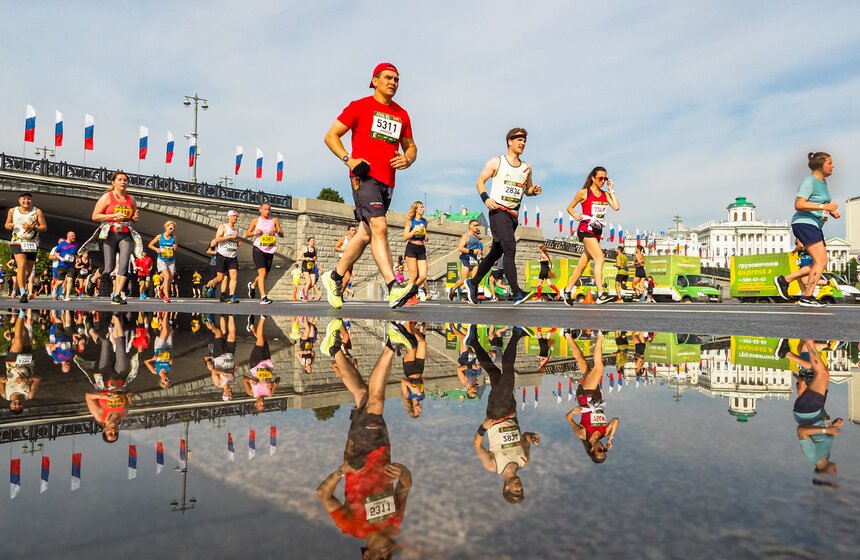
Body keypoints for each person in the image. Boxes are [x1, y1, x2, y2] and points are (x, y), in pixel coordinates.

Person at [320, 62, 418, 310]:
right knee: (379, 226)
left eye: (397, 79)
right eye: (388, 78)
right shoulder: (360, 107)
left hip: (388, 181)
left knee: (365, 233)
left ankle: (335, 277)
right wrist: (349, 160)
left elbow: (411, 146)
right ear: (374, 81)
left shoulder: (402, 114)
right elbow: (331, 136)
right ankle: (393, 287)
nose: (393, 82)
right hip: (363, 176)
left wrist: (408, 158)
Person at [317, 319, 415, 557]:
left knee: (375, 403)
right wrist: (403, 473)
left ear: (367, 555)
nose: (384, 554)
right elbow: (405, 487)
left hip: (359, 456)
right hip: (383, 449)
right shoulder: (393, 524)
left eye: (378, 559)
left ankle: (392, 343)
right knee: (362, 395)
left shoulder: (351, 527)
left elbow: (323, 495)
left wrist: (341, 472)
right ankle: (333, 349)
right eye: (388, 558)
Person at [466, 128, 541, 306]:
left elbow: (526, 190)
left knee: (494, 254)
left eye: (524, 141)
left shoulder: (526, 167)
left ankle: (473, 283)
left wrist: (533, 191)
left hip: (512, 215)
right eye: (519, 140)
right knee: (510, 249)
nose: (522, 144)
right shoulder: (497, 162)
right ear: (510, 142)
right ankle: (516, 292)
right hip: (498, 211)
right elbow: (480, 181)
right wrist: (486, 199)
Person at [471, 324, 540, 503]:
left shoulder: (494, 466)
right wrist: (530, 437)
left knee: (508, 373)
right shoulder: (524, 461)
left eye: (516, 490)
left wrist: (482, 429)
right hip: (511, 411)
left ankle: (517, 335)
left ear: (506, 487)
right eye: (522, 489)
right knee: (495, 374)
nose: (519, 486)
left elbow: (477, 447)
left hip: (496, 414)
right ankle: (473, 342)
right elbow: (523, 437)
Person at [775, 152, 840, 307]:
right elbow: (799, 204)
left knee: (822, 263)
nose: (833, 166)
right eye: (830, 163)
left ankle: (786, 280)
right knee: (821, 260)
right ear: (820, 165)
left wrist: (831, 211)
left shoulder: (822, 183)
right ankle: (807, 297)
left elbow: (819, 203)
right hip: (805, 223)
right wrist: (825, 206)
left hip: (814, 224)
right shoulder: (809, 181)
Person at [779, 338, 843, 476]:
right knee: (819, 373)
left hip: (807, 411)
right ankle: (787, 353)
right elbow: (819, 431)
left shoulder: (812, 456)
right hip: (816, 410)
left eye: (834, 475)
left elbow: (802, 431)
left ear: (824, 473)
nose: (836, 472)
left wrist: (826, 430)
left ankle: (809, 343)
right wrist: (833, 424)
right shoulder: (825, 455)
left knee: (822, 373)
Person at [562, 167, 620, 305]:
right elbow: (570, 207)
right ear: (593, 178)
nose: (603, 181)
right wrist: (574, 215)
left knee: (582, 264)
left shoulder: (605, 194)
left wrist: (611, 190)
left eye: (605, 178)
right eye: (600, 178)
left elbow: (616, 207)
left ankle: (567, 290)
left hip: (597, 232)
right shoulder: (584, 193)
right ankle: (600, 294)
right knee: (600, 258)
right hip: (585, 230)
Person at [80, 313, 138, 443]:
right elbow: (130, 394)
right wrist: (129, 396)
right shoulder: (123, 415)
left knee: (105, 342)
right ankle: (116, 316)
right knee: (121, 346)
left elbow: (88, 396)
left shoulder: (100, 415)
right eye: (115, 433)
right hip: (120, 378)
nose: (113, 431)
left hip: (105, 378)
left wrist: (104, 397)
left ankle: (90, 329)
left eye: (110, 433)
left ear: (104, 430)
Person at [565, 331, 620, 463]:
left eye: (599, 451)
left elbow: (568, 418)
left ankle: (600, 335)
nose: (602, 448)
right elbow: (616, 421)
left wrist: (573, 411)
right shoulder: (604, 433)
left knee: (599, 367)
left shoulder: (583, 434)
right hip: (596, 395)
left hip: (585, 396)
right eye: (604, 450)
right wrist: (610, 438)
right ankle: (567, 335)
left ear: (591, 450)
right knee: (583, 364)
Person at [91, 171, 139, 304]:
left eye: (125, 180)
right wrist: (112, 216)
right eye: (120, 180)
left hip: (126, 233)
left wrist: (134, 218)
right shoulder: (107, 197)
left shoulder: (131, 199)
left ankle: (117, 295)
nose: (123, 182)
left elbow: (133, 217)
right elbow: (95, 216)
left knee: (124, 265)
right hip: (110, 233)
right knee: (109, 268)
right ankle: (93, 278)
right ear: (113, 182)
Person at [5, 192, 47, 303]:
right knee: (21, 266)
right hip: (18, 241)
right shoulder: (12, 211)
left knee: (27, 272)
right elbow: (7, 224)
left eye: (28, 199)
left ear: (31, 201)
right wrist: (9, 226)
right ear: (19, 200)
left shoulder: (37, 211)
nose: (26, 201)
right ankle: (23, 293)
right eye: (24, 199)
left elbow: (44, 227)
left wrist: (33, 227)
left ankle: (20, 286)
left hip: (32, 243)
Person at [2, 311, 41, 413]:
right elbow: (37, 379)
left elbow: (0, 380)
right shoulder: (29, 395)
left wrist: (2, 379)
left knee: (18, 340)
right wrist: (25, 378)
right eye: (20, 407)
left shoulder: (5, 394)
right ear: (23, 406)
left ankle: (22, 312)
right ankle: (21, 315)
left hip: (13, 363)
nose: (17, 405)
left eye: (15, 407)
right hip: (27, 361)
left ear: (10, 405)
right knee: (25, 333)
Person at [246, 202, 284, 305]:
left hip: (270, 250)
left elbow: (282, 234)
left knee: (265, 275)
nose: (267, 211)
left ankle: (253, 286)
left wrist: (276, 230)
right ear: (260, 210)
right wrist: (255, 232)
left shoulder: (274, 221)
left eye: (269, 210)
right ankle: (263, 297)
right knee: (262, 273)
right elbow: (247, 234)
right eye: (265, 209)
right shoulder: (256, 221)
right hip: (258, 249)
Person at [243, 315, 280, 411]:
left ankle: (262, 317)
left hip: (255, 365)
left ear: (255, 404)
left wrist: (252, 381)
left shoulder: (251, 393)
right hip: (267, 364)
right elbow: (278, 379)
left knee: (260, 340)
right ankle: (251, 326)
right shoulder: (270, 394)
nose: (262, 403)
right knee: (263, 340)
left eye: (260, 405)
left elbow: (244, 379)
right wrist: (273, 384)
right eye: (264, 405)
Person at [206, 210, 241, 303]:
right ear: (229, 217)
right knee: (220, 278)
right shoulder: (223, 227)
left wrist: (238, 242)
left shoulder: (236, 230)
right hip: (222, 255)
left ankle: (232, 296)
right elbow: (217, 239)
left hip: (233, 255)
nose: (235, 218)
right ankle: (209, 286)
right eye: (234, 216)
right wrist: (229, 237)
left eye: (237, 216)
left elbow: (236, 240)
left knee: (234, 276)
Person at [204, 315, 237, 401]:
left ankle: (210, 325)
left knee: (218, 332)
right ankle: (231, 314)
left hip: (219, 355)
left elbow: (214, 371)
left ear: (224, 394)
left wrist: (226, 373)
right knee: (232, 335)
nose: (231, 393)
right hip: (230, 354)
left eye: (229, 395)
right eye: (231, 395)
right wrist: (235, 367)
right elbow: (231, 369)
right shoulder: (232, 380)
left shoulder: (218, 383)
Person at [448, 220, 483, 301]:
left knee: (475, 280)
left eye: (478, 225)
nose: (477, 227)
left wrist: (479, 253)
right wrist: (472, 251)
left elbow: (478, 250)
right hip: (466, 259)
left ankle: (473, 297)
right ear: (470, 226)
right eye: (475, 225)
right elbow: (460, 248)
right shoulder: (466, 236)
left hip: (474, 260)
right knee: (464, 280)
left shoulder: (477, 238)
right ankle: (452, 289)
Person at [400, 322, 426, 418]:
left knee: (413, 346)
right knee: (422, 342)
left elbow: (403, 381)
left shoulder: (407, 396)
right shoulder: (422, 397)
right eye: (420, 412)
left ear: (413, 409)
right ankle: (412, 326)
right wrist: (423, 380)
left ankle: (407, 323)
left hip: (409, 369)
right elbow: (420, 383)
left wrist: (411, 387)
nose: (420, 410)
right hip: (419, 369)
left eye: (417, 411)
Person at [402, 201, 429, 297]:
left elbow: (425, 236)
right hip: (411, 247)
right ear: (416, 209)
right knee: (414, 275)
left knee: (423, 276)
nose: (423, 209)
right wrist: (414, 230)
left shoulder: (425, 221)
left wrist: (426, 237)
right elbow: (405, 237)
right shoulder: (410, 221)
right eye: (421, 207)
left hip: (421, 248)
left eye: (423, 207)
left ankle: (410, 292)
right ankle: (405, 294)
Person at [148, 221, 178, 303]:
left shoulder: (174, 237)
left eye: (173, 229)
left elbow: (176, 248)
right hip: (162, 259)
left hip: (171, 260)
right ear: (166, 227)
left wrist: (174, 247)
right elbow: (150, 245)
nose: (172, 230)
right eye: (170, 228)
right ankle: (167, 297)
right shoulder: (160, 236)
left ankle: (160, 288)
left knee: (170, 280)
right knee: (167, 277)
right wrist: (157, 249)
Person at [144, 316, 173, 388]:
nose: (168, 379)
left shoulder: (155, 371)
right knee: (170, 330)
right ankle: (160, 319)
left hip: (159, 348)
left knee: (165, 331)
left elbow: (146, 362)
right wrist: (170, 361)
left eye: (166, 381)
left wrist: (153, 359)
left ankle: (165, 312)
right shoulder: (168, 370)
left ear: (162, 381)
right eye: (169, 380)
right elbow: (170, 360)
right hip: (168, 348)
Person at [54, 231, 79, 302]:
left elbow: (77, 254)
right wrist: (61, 258)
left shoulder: (76, 245)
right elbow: (55, 253)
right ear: (68, 236)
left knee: (70, 279)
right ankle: (55, 287)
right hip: (62, 265)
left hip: (71, 265)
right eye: (72, 236)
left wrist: (77, 259)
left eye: (74, 236)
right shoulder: (62, 244)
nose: (74, 237)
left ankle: (67, 295)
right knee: (61, 281)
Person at [333, 224, 358, 294]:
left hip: (350, 261)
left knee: (346, 280)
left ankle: (340, 293)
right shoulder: (344, 239)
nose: (354, 232)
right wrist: (344, 250)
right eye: (352, 230)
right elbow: (335, 248)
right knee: (347, 278)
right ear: (348, 231)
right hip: (343, 259)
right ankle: (339, 293)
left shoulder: (355, 240)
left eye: (355, 230)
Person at [300, 237, 319, 301]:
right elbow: (299, 257)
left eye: (313, 241)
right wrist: (306, 258)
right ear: (308, 242)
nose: (313, 242)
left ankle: (303, 290)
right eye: (311, 241)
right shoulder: (305, 248)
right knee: (308, 281)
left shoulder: (315, 249)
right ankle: (305, 295)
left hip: (312, 266)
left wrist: (315, 258)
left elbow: (316, 257)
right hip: (305, 265)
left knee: (313, 283)